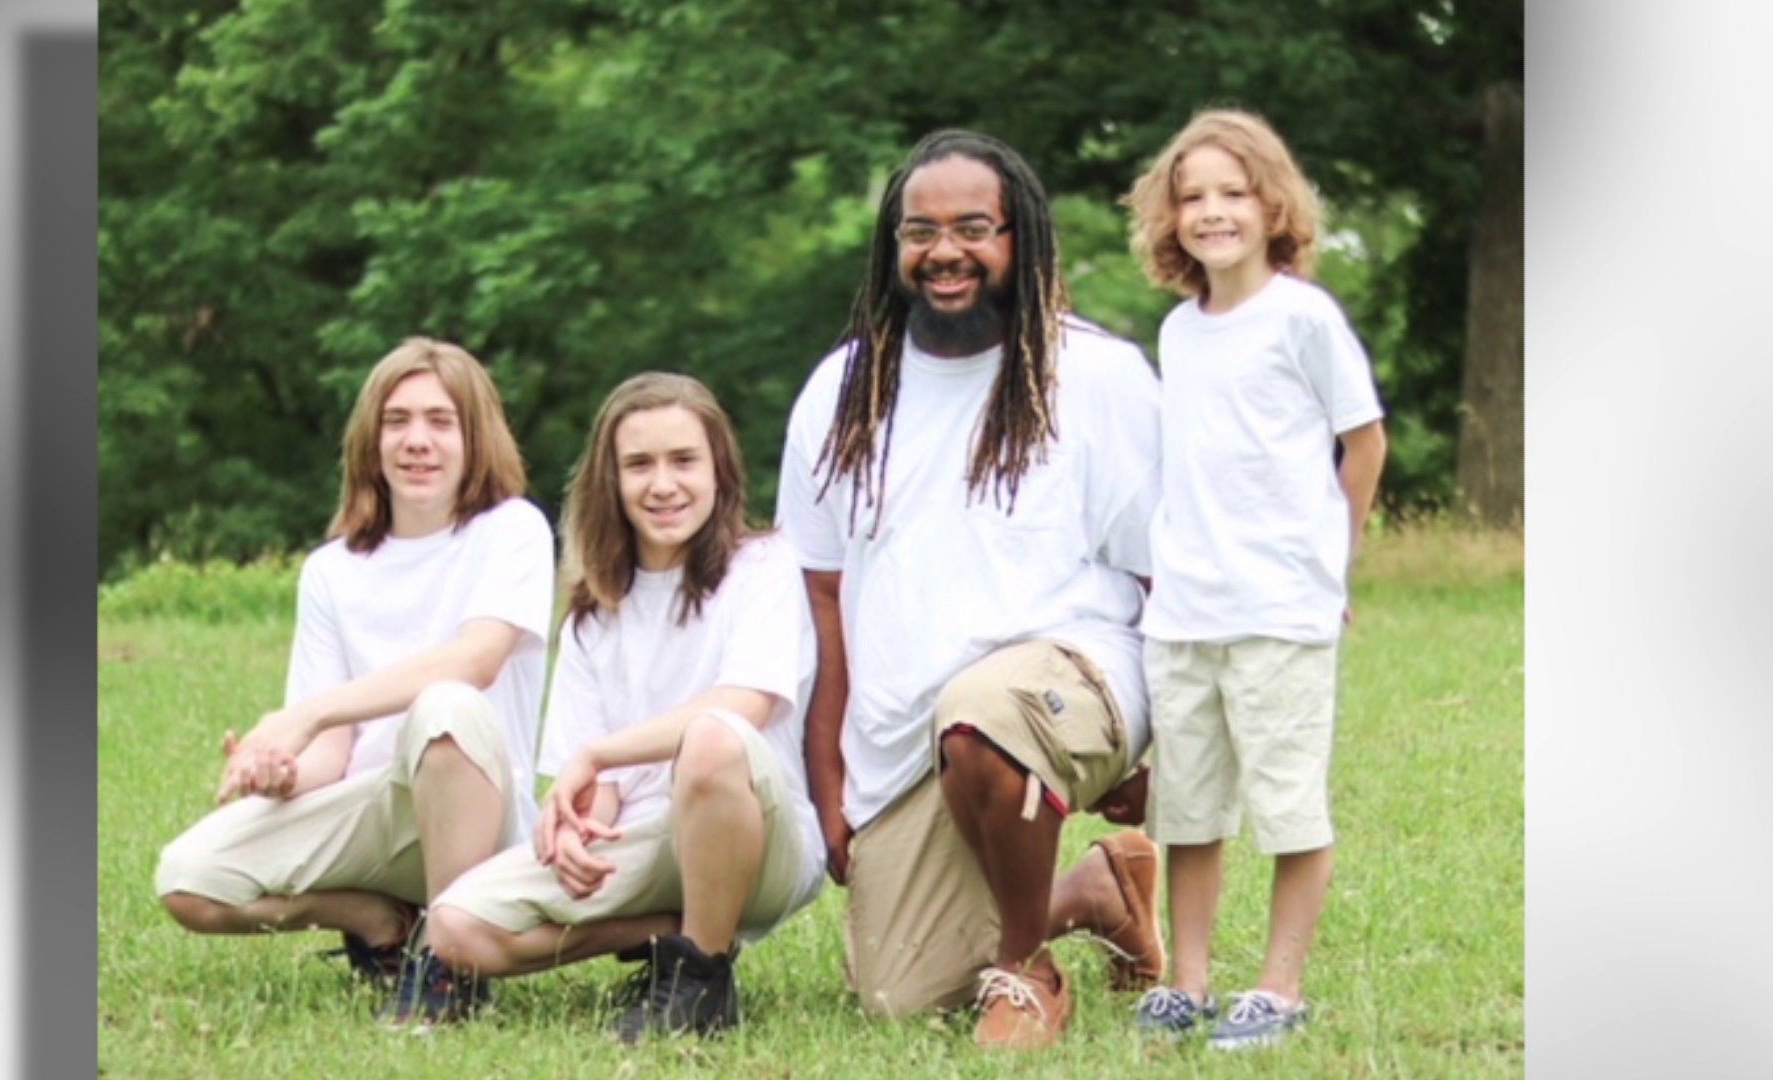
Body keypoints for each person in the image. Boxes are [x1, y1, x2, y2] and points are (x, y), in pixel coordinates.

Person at [775, 129, 1168, 1051]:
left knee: (983, 709)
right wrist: (827, 771)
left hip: (1070, 681)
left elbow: (1164, 577)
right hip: (910, 730)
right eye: (920, 232)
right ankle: (1096, 894)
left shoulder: (1098, 377)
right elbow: (823, 597)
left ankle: (1027, 971)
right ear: (894, 248)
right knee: (901, 993)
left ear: (1020, 240)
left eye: (973, 228)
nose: (944, 251)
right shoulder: (844, 391)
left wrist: (1171, 741)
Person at [154, 337, 555, 1026]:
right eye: (397, 421)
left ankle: (447, 971)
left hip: (478, 806)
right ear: (371, 441)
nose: (416, 441)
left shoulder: (511, 530)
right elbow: (332, 753)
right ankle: (377, 918)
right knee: (189, 879)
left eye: (440, 420)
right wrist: (282, 769)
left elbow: (476, 660)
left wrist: (307, 713)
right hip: (376, 812)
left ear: (475, 436)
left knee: (448, 706)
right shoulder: (331, 570)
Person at [425, 372, 825, 1043]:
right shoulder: (592, 614)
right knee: (454, 927)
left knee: (712, 739)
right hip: (650, 844)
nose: (663, 485)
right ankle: (668, 932)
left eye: (684, 461)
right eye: (639, 464)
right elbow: (602, 790)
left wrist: (600, 754)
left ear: (720, 471)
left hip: (761, 839)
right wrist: (583, 830)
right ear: (610, 480)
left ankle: (702, 980)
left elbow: (745, 705)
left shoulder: (765, 569)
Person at [1119, 108, 1388, 1050]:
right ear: (1169, 216)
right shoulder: (1179, 331)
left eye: (1233, 193)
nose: (1212, 212)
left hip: (1279, 608)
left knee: (1286, 804)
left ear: (1273, 205)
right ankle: (1187, 981)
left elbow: (1364, 441)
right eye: (1192, 196)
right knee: (1188, 808)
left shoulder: (1303, 317)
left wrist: (1331, 561)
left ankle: (1277, 987)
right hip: (1185, 611)